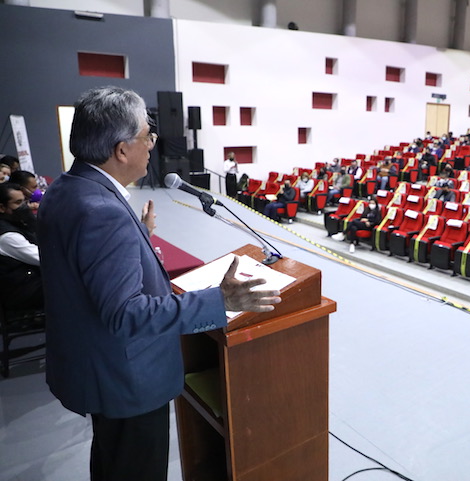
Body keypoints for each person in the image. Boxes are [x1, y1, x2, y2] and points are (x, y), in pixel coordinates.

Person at [36, 87, 281, 481]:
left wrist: (139, 237)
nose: (152, 144)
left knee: (113, 463)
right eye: (146, 135)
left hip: (95, 366)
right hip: (126, 377)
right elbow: (125, 313)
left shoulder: (67, 189)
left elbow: (84, 265)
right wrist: (219, 301)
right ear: (121, 150)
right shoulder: (103, 212)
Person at [0, 182, 43, 310]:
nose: (24, 207)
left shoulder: (16, 222)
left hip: (29, 279)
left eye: (24, 201)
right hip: (20, 290)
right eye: (18, 203)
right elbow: (42, 258)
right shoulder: (7, 236)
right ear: (2, 207)